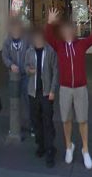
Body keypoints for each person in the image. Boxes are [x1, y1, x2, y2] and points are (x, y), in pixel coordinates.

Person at [45, 6, 92, 170]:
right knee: (66, 120)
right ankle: (69, 146)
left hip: (80, 89)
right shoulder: (59, 46)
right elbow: (48, 36)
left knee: (82, 120)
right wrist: (49, 23)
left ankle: (85, 149)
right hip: (64, 89)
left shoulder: (81, 45)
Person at [25, 29, 59, 168]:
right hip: (33, 92)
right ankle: (41, 145)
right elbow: (26, 66)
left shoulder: (50, 51)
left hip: (46, 93)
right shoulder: (29, 51)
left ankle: (50, 149)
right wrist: (29, 70)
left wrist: (52, 90)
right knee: (35, 120)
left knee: (47, 120)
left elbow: (56, 71)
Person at [1, 20, 30, 134]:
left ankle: (31, 124)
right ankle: (14, 126)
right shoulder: (7, 42)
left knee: (28, 101)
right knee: (14, 101)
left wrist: (28, 65)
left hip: (26, 75)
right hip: (13, 77)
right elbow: (5, 56)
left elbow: (31, 53)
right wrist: (10, 65)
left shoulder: (26, 40)